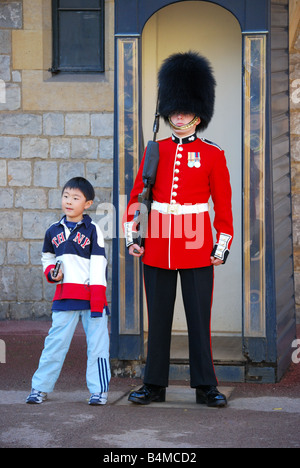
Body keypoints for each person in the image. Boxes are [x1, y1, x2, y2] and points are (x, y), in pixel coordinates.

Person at [123, 52, 233, 408]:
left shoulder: (213, 154)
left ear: (198, 114)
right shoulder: (154, 150)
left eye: (185, 111)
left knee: (200, 320)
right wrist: (133, 234)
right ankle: (154, 384)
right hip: (156, 244)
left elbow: (223, 205)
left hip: (197, 245)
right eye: (174, 111)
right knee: (159, 321)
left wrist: (222, 243)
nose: (179, 116)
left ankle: (205, 387)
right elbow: (139, 194)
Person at [26, 177, 111, 406]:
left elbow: (99, 266)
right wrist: (51, 272)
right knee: (54, 344)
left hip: (92, 299)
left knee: (97, 347)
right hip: (64, 299)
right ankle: (39, 388)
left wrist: (98, 303)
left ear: (88, 204)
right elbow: (48, 258)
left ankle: (99, 391)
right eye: (66, 196)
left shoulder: (93, 231)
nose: (69, 202)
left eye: (76, 198)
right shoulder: (53, 231)